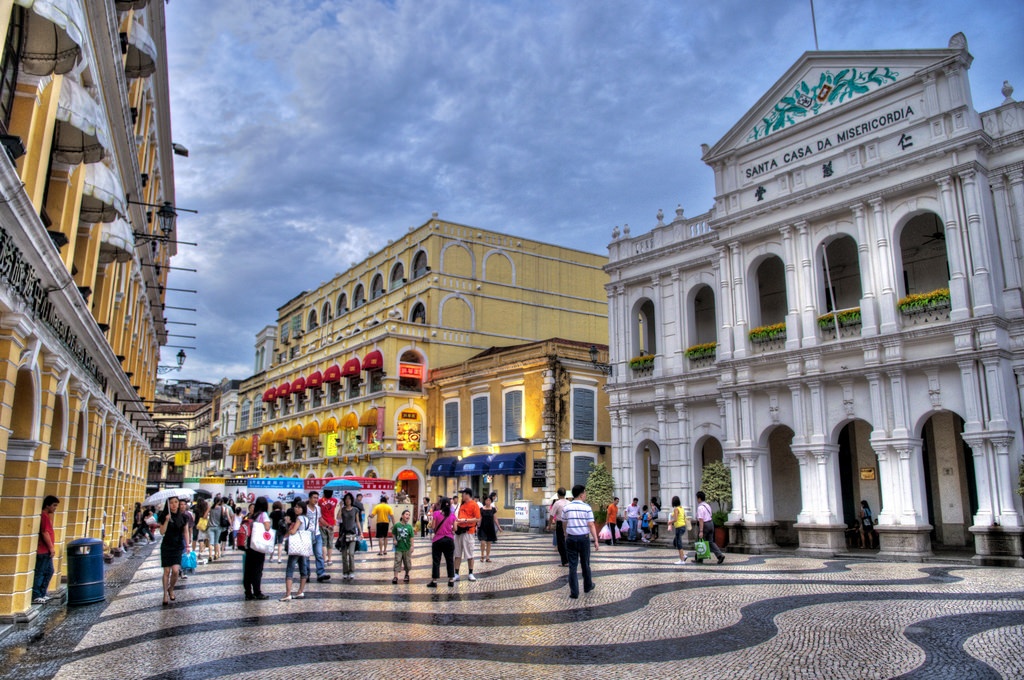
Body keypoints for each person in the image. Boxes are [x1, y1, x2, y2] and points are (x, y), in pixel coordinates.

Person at [563, 484, 599, 599]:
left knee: (572, 566)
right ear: (581, 494)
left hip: (571, 538)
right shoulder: (587, 507)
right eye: (585, 492)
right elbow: (591, 524)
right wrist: (596, 539)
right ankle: (588, 586)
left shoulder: (567, 507)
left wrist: (565, 534)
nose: (585, 494)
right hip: (583, 538)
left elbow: (564, 522)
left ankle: (574, 592)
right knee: (585, 564)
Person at [158, 496, 189, 605]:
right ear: (168, 504)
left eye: (176, 502)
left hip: (177, 546)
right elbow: (162, 532)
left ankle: (171, 588)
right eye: (171, 502)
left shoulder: (183, 517)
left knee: (175, 570)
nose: (174, 505)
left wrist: (188, 545)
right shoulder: (164, 516)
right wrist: (167, 520)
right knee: (166, 571)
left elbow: (185, 531)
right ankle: (165, 595)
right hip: (167, 545)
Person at [32, 495, 59, 605]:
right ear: (47, 505)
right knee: (40, 572)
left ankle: (42, 593)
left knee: (49, 571)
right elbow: (45, 533)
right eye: (54, 505)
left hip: (46, 551)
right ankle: (36, 595)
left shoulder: (46, 516)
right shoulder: (44, 516)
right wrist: (51, 548)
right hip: (43, 550)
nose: (55, 508)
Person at [281, 498, 310, 601]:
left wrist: (288, 530)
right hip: (304, 546)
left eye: (298, 507)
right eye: (296, 507)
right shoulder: (307, 519)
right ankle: (300, 591)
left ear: (302, 509)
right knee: (303, 568)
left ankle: (288, 593)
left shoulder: (300, 518)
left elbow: (293, 531)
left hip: (296, 546)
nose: (295, 508)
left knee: (290, 568)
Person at [243, 496, 272, 600]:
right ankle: (257, 592)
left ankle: (248, 592)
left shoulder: (252, 515)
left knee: (248, 569)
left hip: (250, 545)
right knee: (258, 569)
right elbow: (267, 527)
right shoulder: (263, 515)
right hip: (258, 546)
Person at [427, 496, 457, 588]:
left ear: (441, 504)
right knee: (450, 560)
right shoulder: (452, 515)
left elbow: (433, 526)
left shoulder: (436, 513)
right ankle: (451, 579)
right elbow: (455, 528)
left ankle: (434, 580)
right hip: (449, 539)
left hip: (438, 539)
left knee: (436, 560)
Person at [453, 488, 481, 582]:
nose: (462, 496)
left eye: (463, 494)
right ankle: (456, 573)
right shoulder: (461, 505)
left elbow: (477, 518)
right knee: (457, 553)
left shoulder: (474, 505)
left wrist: (465, 520)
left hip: (468, 531)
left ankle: (471, 573)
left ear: (468, 494)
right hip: (459, 531)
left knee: (469, 553)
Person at [695, 491, 725, 565]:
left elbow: (701, 519)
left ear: (699, 498)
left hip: (705, 525)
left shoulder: (700, 507)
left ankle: (699, 558)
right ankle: (720, 555)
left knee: (700, 540)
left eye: (697, 498)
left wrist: (701, 531)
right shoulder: (707, 505)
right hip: (711, 523)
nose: (697, 500)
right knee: (711, 542)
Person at [337, 493, 362, 580]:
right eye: (346, 499)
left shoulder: (355, 510)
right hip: (344, 534)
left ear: (351, 500)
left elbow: (357, 521)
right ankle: (345, 571)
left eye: (349, 499)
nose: (348, 500)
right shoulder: (343, 509)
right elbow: (338, 518)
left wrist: (361, 532)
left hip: (352, 534)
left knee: (351, 553)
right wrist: (340, 507)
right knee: (344, 555)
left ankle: (351, 571)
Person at [306, 491, 329, 582]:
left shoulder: (318, 508)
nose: (316, 500)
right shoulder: (305, 508)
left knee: (319, 554)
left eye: (317, 498)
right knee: (306, 555)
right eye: (314, 498)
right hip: (307, 534)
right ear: (309, 498)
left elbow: (320, 518)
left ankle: (321, 573)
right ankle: (306, 574)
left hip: (317, 534)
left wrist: (327, 526)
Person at [392, 509, 415, 584]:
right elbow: (393, 533)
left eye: (409, 515)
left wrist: (412, 546)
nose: (408, 516)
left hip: (407, 548)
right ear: (402, 516)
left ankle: (407, 575)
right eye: (406, 514)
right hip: (398, 548)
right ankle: (395, 576)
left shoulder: (409, 527)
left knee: (407, 562)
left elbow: (411, 537)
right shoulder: (397, 525)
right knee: (397, 561)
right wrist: (394, 539)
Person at [548, 487, 569, 567]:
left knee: (561, 543)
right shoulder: (569, 503)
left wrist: (549, 525)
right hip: (569, 523)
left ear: (558, 495)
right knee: (568, 541)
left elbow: (551, 515)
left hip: (560, 523)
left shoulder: (557, 503)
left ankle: (565, 561)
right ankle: (569, 560)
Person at [478, 494, 501, 562]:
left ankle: (487, 556)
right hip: (483, 527)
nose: (488, 501)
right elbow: (480, 518)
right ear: (485, 501)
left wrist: (499, 527)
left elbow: (495, 518)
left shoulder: (493, 509)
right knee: (482, 542)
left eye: (489, 500)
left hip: (490, 527)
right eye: (487, 500)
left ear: (491, 501)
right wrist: (477, 525)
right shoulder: (481, 509)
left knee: (489, 543)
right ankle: (482, 555)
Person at [319, 488, 339, 566]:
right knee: (330, 542)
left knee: (323, 543)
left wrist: (323, 497)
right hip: (331, 524)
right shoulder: (335, 500)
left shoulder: (320, 501)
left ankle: (324, 560)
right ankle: (330, 559)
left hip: (322, 523)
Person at [669, 496, 688, 564]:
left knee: (679, 543)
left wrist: (670, 522)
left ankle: (682, 560)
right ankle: (683, 556)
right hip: (683, 526)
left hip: (679, 527)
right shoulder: (681, 508)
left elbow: (676, 519)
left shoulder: (676, 509)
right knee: (676, 542)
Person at [207, 497, 224, 562]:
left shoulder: (210, 507)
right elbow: (223, 516)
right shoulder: (221, 508)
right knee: (216, 542)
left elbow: (205, 516)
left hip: (210, 527)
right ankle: (216, 554)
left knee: (211, 542)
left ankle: (210, 555)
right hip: (218, 527)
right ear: (219, 501)